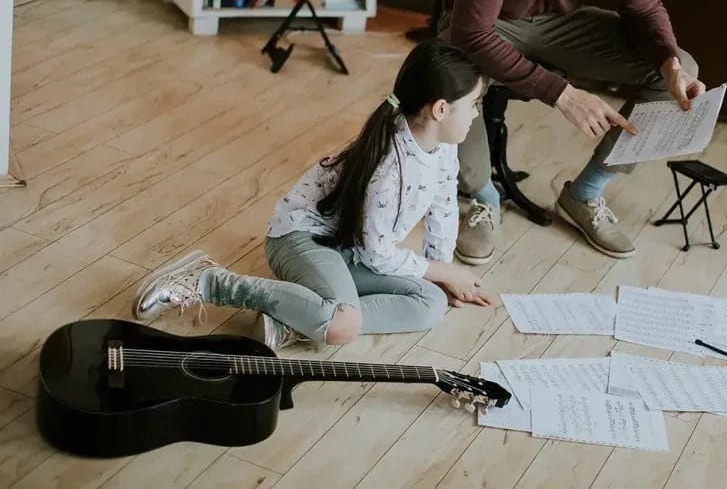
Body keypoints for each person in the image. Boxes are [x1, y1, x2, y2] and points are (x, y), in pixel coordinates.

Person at [131, 39, 494, 350]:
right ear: (441, 109)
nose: (476, 115)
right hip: (301, 240)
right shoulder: (388, 169)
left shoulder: (444, 148)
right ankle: (208, 281)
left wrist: (444, 274)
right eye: (474, 105)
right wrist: (442, 271)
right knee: (345, 326)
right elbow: (379, 254)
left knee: (431, 302)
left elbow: (444, 208)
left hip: (351, 250)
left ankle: (295, 321)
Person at [439, 0, 706, 265]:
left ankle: (585, 193)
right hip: (489, 22)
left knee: (680, 66)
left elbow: (644, 7)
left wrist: (670, 66)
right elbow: (472, 32)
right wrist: (562, 94)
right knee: (451, 70)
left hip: (558, 23)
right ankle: (481, 197)